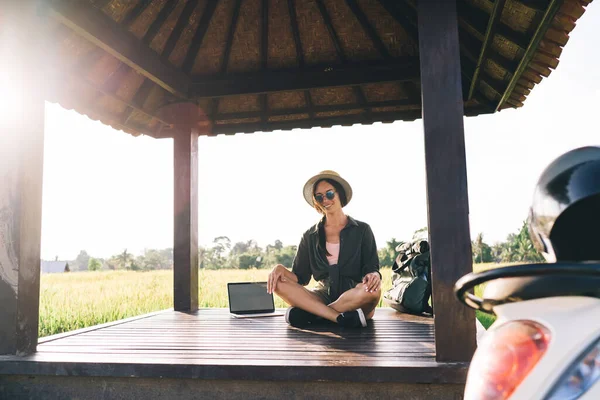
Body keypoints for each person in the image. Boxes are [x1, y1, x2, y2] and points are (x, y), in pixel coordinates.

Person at [267, 170, 382, 328]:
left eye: (329, 193)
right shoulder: (310, 235)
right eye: (319, 197)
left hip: (353, 296)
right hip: (321, 295)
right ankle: (339, 318)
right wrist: (280, 269)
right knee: (278, 284)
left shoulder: (362, 230)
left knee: (373, 292)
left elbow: (371, 267)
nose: (325, 200)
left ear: (339, 193)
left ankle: (314, 315)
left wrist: (374, 275)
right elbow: (301, 277)